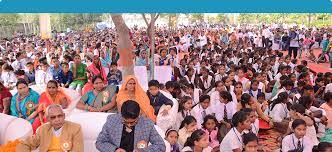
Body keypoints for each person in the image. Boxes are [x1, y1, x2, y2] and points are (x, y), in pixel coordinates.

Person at [95, 100, 166, 152]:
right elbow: (100, 142)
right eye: (125, 122)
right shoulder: (112, 120)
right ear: (121, 115)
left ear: (139, 115)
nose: (129, 125)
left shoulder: (147, 124)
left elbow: (160, 146)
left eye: (132, 122)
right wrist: (115, 150)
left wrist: (142, 151)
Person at [16, 104, 84, 152]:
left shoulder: (75, 128)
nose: (57, 119)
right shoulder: (43, 129)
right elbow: (25, 144)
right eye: (53, 117)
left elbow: (77, 150)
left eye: (59, 116)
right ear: (48, 119)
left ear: (64, 116)